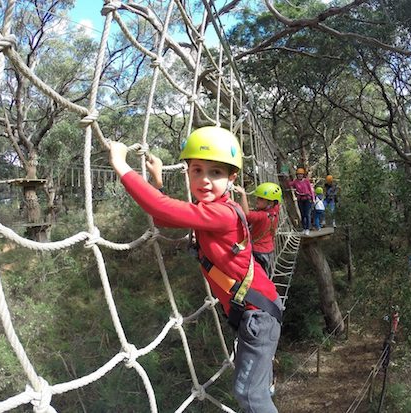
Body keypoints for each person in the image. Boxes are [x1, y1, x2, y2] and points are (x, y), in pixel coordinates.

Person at [108, 126, 282, 413]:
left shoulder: (221, 213)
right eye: (197, 170)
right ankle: (267, 382)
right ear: (187, 172)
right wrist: (158, 180)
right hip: (255, 310)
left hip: (257, 314)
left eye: (215, 173)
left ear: (232, 178)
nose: (204, 180)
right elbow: (168, 215)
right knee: (250, 387)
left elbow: (162, 210)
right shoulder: (215, 208)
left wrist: (121, 165)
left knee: (249, 394)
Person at [234, 182, 282, 279]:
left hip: (258, 252)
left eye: (261, 199)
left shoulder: (261, 216)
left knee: (257, 277)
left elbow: (246, 215)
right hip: (269, 250)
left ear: (270, 202)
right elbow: (277, 203)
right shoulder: (275, 211)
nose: (257, 200)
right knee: (264, 275)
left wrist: (243, 194)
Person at [288, 167, 314, 235]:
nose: (300, 175)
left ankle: (308, 228)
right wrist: (285, 176)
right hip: (300, 199)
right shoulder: (295, 181)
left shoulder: (306, 181)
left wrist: (313, 198)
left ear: (303, 175)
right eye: (298, 174)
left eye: (301, 174)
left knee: (307, 214)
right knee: (302, 214)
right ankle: (304, 228)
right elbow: (289, 184)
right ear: (297, 175)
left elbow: (310, 190)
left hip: (307, 198)